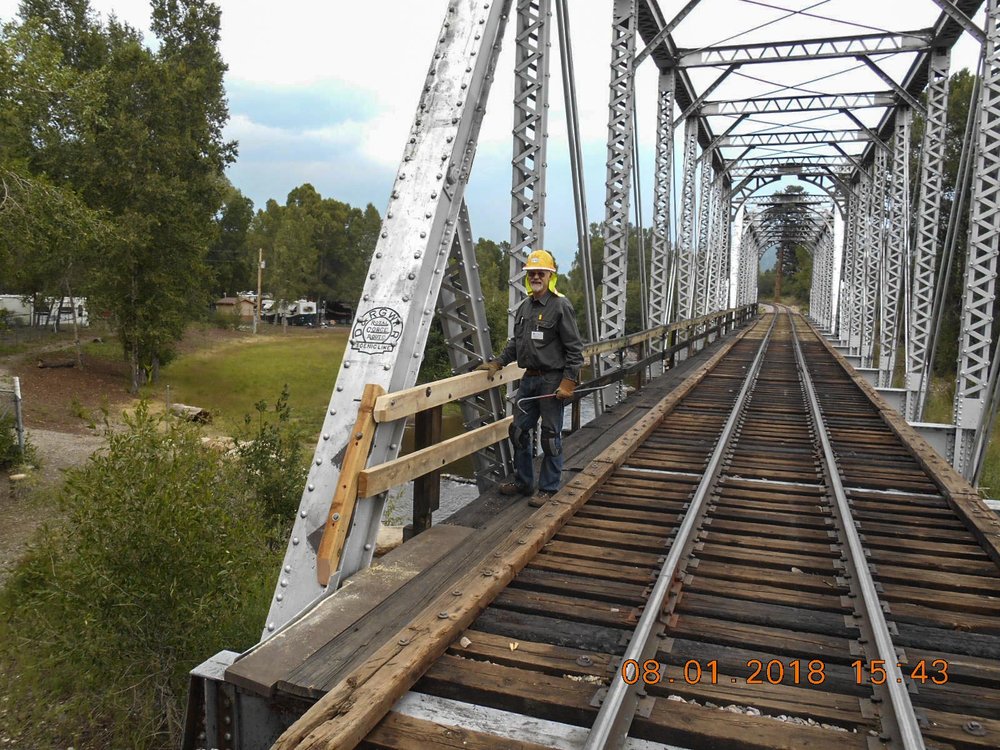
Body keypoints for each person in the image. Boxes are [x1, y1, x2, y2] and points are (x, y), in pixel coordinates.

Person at [477, 249, 584, 507]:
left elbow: (574, 349)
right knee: (518, 431)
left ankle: (548, 487)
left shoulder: (560, 306)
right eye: (531, 273)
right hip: (529, 379)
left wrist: (568, 381)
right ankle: (524, 482)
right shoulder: (524, 307)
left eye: (541, 273)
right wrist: (498, 362)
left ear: (550, 276)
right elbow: (517, 343)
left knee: (549, 435)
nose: (536, 276)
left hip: (551, 379)